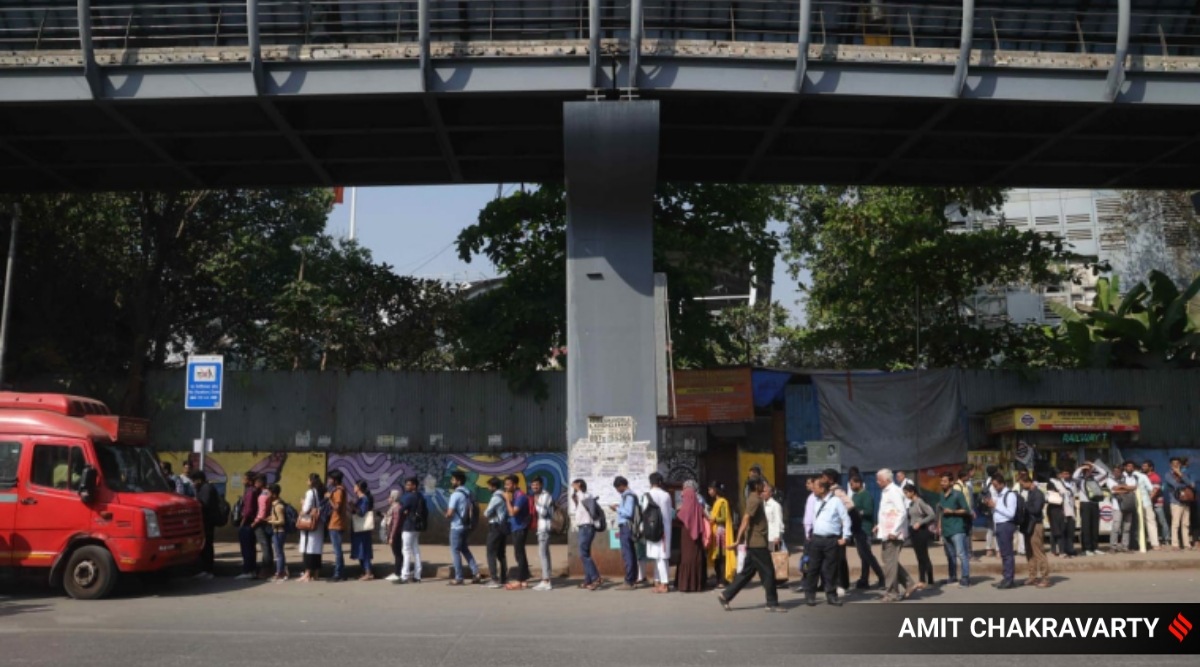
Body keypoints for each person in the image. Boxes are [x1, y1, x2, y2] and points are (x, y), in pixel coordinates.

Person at [716, 478, 785, 613]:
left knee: (746, 573)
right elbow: (746, 519)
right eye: (762, 484)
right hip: (758, 543)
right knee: (768, 572)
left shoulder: (756, 498)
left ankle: (725, 595)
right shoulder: (755, 500)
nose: (765, 486)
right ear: (757, 486)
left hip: (756, 542)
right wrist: (738, 539)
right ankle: (772, 603)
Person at [801, 478, 851, 607]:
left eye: (816, 487)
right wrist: (809, 534)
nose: (813, 489)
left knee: (830, 570)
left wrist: (845, 536)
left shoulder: (836, 502)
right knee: (813, 569)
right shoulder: (815, 500)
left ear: (822, 488)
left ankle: (831, 596)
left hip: (831, 540)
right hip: (816, 539)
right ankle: (810, 596)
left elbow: (845, 519)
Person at [876, 468, 915, 602]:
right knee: (889, 561)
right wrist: (879, 526)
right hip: (887, 532)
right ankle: (909, 583)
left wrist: (894, 531)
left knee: (890, 564)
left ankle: (892, 593)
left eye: (879, 480)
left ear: (886, 480)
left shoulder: (893, 491)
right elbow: (888, 512)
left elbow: (902, 512)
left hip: (893, 534)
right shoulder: (887, 491)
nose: (877, 482)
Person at [445, 471, 482, 585]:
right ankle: (476, 572)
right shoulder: (468, 492)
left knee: (455, 551)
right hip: (466, 525)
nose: (451, 481)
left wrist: (446, 515)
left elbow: (450, 513)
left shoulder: (455, 495)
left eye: (453, 479)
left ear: (458, 481)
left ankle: (459, 577)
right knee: (464, 549)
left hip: (457, 526)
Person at [822, 469, 853, 597]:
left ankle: (841, 584)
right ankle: (841, 583)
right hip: (831, 529)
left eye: (823, 477)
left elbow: (850, 504)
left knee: (839, 558)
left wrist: (839, 515)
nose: (822, 479)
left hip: (838, 529)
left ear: (830, 479)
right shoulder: (828, 491)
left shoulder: (837, 492)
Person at [849, 474, 884, 589]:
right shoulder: (855, 496)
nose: (851, 485)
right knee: (863, 556)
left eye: (852, 483)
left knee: (868, 556)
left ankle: (881, 577)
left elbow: (869, 511)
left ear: (858, 483)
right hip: (856, 529)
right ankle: (864, 579)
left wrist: (857, 512)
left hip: (864, 529)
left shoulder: (866, 495)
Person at [938, 472, 971, 588]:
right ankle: (952, 576)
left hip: (957, 529)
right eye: (941, 481)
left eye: (945, 481)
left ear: (951, 482)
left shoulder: (958, 495)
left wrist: (952, 511)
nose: (942, 483)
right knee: (950, 555)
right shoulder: (942, 495)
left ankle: (965, 578)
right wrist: (939, 526)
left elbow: (966, 510)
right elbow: (941, 512)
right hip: (946, 529)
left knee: (961, 554)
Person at [986, 473, 1018, 589]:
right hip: (999, 525)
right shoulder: (999, 495)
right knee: (1004, 554)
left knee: (1008, 554)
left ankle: (1009, 579)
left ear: (1002, 483)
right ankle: (1006, 577)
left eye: (996, 485)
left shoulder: (1010, 495)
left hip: (1006, 525)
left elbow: (1011, 513)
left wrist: (995, 506)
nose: (995, 487)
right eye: (993, 485)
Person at [643, 472, 674, 593]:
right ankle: (658, 581)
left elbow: (644, 512)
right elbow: (670, 513)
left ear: (650, 482)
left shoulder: (647, 495)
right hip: (665, 529)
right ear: (660, 482)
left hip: (652, 528)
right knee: (662, 557)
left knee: (659, 557)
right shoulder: (666, 495)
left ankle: (664, 584)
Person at [675, 480, 708, 593]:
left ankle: (685, 584)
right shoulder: (699, 506)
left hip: (686, 534)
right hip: (697, 536)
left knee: (686, 558)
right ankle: (697, 584)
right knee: (696, 557)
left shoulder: (683, 508)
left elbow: (678, 518)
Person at [1017, 473, 1049, 588]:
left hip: (1036, 525)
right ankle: (1032, 576)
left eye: (1022, 484)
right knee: (1029, 552)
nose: (1021, 486)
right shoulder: (1029, 493)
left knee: (1038, 552)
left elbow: (1036, 510)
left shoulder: (1038, 494)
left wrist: (1024, 504)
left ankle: (1045, 578)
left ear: (1027, 482)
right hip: (1028, 525)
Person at [903, 483, 935, 589]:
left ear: (913, 492)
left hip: (921, 531)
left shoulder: (919, 502)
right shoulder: (911, 504)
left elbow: (932, 514)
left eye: (907, 492)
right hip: (913, 532)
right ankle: (922, 580)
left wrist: (920, 523)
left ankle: (930, 580)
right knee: (919, 557)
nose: (906, 495)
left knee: (924, 556)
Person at [502, 475, 532, 590]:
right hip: (516, 527)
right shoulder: (515, 495)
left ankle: (519, 581)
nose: (506, 487)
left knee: (519, 554)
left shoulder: (520, 496)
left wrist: (507, 500)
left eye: (508, 484)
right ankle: (524, 579)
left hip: (520, 528)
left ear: (515, 484)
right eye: (505, 484)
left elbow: (513, 512)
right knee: (520, 554)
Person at [571, 478, 601, 590]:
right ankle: (588, 580)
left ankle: (595, 577)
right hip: (582, 528)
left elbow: (583, 497)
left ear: (580, 485)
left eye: (575, 487)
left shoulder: (587, 496)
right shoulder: (579, 499)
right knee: (585, 555)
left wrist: (577, 488)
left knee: (583, 554)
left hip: (587, 527)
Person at [611, 476, 640, 590]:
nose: (617, 490)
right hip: (628, 527)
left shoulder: (628, 496)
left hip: (626, 527)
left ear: (622, 485)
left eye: (618, 488)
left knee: (627, 554)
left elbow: (628, 513)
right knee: (631, 553)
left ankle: (629, 581)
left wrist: (617, 509)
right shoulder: (629, 496)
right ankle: (632, 578)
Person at [706, 481, 735, 587]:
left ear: (716, 490)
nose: (709, 491)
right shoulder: (717, 502)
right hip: (716, 532)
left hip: (721, 533)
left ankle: (722, 580)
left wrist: (712, 518)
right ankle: (719, 579)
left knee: (721, 556)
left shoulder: (722, 502)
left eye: (710, 489)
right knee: (717, 557)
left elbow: (723, 518)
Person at [190, 470, 219, 579]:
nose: (193, 483)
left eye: (194, 481)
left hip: (207, 522)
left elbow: (204, 504)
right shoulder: (203, 488)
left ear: (199, 480)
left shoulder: (206, 488)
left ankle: (209, 570)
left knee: (207, 546)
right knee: (204, 546)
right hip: (204, 522)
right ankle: (204, 569)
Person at [1162, 457, 1196, 550]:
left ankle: (1186, 544)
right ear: (1170, 465)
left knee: (1186, 524)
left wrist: (1180, 474)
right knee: (1175, 524)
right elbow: (1175, 485)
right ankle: (1175, 544)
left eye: (1177, 463)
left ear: (1180, 464)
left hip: (1186, 501)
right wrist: (1186, 484)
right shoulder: (1168, 474)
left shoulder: (1185, 473)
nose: (1175, 465)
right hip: (1175, 502)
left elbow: (1192, 484)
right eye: (1173, 463)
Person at [297, 473, 325, 583]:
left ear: (311, 482)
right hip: (319, 523)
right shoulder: (321, 491)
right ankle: (316, 574)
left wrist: (302, 505)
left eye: (307, 480)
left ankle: (307, 574)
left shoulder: (310, 492)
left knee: (308, 549)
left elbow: (307, 508)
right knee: (316, 550)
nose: (306, 482)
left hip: (310, 524)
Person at [1073, 462, 1103, 556]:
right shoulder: (1080, 480)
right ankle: (1086, 548)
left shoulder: (1095, 479)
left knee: (1095, 526)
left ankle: (1095, 547)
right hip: (1085, 504)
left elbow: (1103, 473)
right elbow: (1074, 476)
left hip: (1094, 503)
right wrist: (1081, 467)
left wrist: (1093, 465)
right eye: (1086, 470)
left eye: (1089, 470)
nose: (1088, 471)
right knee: (1086, 527)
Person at [397, 476, 424, 583]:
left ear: (414, 486)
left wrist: (404, 511)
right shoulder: (420, 496)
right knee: (416, 550)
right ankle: (417, 575)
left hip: (408, 526)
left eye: (409, 484)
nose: (406, 486)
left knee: (406, 551)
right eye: (406, 484)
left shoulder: (408, 497)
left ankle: (404, 576)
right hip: (417, 526)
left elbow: (400, 509)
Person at [483, 477, 509, 589]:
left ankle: (494, 579)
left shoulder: (496, 497)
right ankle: (503, 578)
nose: (488, 488)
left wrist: (489, 513)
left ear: (493, 486)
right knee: (501, 554)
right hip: (503, 526)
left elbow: (486, 513)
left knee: (490, 552)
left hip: (495, 527)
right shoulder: (504, 495)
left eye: (489, 486)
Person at [530, 477, 555, 591]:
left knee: (542, 554)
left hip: (544, 527)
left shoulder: (545, 496)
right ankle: (547, 578)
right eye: (533, 485)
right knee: (545, 553)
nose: (534, 487)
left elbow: (544, 512)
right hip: (541, 527)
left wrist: (536, 503)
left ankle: (545, 580)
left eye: (537, 485)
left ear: (541, 485)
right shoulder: (539, 496)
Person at [1048, 468, 1078, 557]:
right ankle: (1057, 549)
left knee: (1068, 530)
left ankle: (1068, 548)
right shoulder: (1052, 482)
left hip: (1068, 508)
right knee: (1057, 531)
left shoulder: (1065, 482)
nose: (1061, 476)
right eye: (1059, 474)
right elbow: (1054, 495)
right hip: (1056, 509)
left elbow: (1071, 492)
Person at [235, 472, 260, 580]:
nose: (242, 481)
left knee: (247, 548)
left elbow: (248, 510)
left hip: (247, 523)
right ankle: (252, 569)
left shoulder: (250, 492)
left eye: (244, 479)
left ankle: (248, 570)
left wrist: (242, 522)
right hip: (251, 522)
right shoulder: (254, 491)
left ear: (249, 480)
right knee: (250, 547)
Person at [326, 470, 350, 582]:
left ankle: (338, 573)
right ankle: (342, 573)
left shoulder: (339, 491)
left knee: (337, 551)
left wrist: (329, 498)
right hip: (337, 522)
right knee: (338, 550)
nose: (329, 481)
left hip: (336, 523)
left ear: (335, 480)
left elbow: (336, 507)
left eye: (330, 479)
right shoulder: (339, 489)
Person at [251, 474, 274, 579]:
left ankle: (265, 570)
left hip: (261, 523)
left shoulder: (262, 495)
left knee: (264, 546)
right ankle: (269, 567)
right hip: (268, 522)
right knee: (268, 546)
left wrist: (255, 522)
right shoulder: (269, 493)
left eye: (256, 482)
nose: (255, 484)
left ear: (260, 483)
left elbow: (262, 512)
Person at [350, 480, 375, 580]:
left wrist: (353, 507)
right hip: (358, 529)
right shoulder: (360, 499)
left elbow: (361, 513)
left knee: (364, 550)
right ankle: (365, 571)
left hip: (362, 530)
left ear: (359, 488)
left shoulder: (364, 499)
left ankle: (368, 572)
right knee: (360, 551)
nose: (354, 488)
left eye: (355, 486)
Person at [1144, 461, 1169, 548]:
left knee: (1161, 521)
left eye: (1145, 466)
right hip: (1148, 503)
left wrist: (1149, 500)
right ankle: (1149, 539)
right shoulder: (1144, 477)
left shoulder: (1155, 477)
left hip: (1157, 503)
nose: (1143, 468)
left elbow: (1156, 490)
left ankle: (1166, 539)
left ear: (1151, 467)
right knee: (1149, 521)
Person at [266, 483, 288, 581]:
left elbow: (282, 521)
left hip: (279, 532)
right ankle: (281, 571)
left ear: (274, 494)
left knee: (279, 553)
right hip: (277, 531)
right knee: (279, 552)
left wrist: (271, 521)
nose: (267, 495)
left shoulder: (278, 506)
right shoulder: (275, 505)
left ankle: (280, 573)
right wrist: (271, 518)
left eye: (269, 493)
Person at [385, 489, 405, 582]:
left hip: (396, 534)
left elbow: (396, 523)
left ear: (393, 498)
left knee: (397, 554)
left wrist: (392, 537)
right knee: (397, 553)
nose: (388, 499)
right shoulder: (393, 507)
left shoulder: (396, 508)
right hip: (394, 533)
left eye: (389, 497)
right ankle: (398, 572)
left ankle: (398, 573)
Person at [763, 483, 786, 550]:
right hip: (765, 536)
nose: (763, 493)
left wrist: (777, 536)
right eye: (762, 491)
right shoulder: (762, 504)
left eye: (765, 491)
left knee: (774, 557)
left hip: (773, 537)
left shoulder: (775, 505)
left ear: (770, 493)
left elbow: (778, 521)